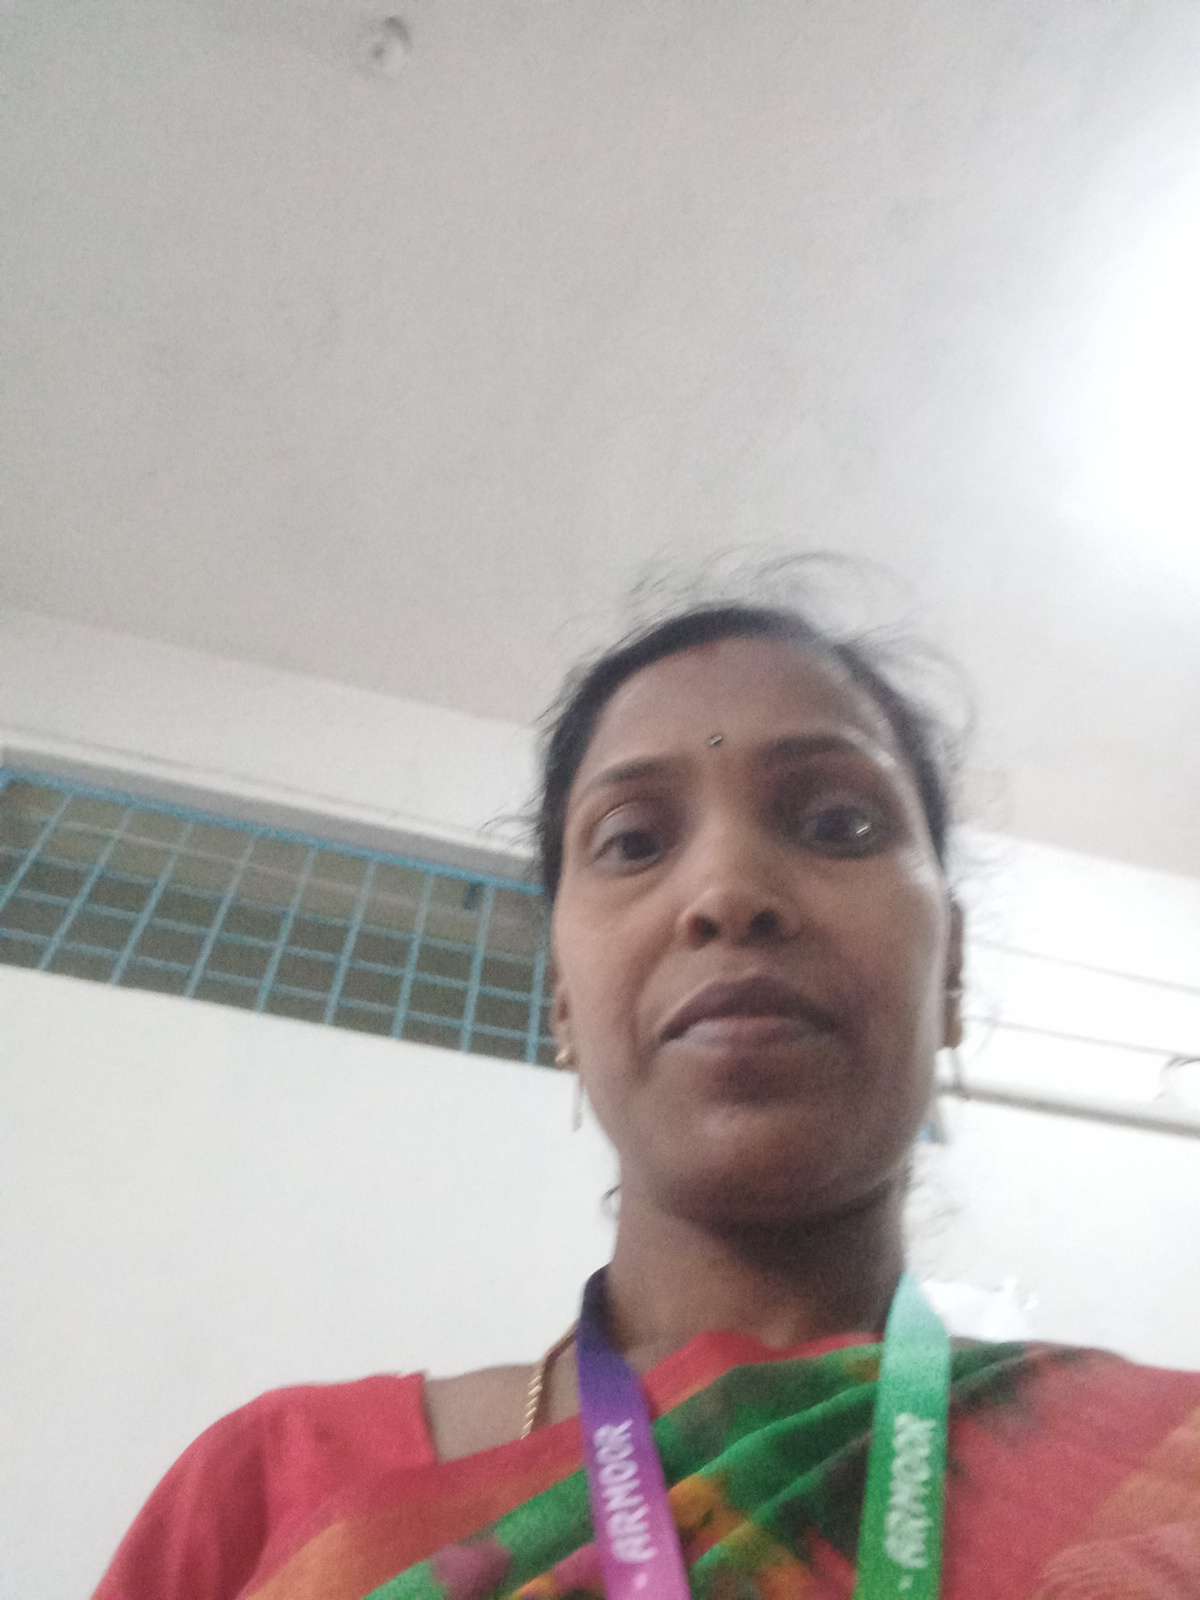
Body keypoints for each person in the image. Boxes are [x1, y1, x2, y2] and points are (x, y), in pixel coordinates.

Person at [95, 598, 1200, 1600]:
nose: (727, 892)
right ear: (563, 1004)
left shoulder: (1172, 1465)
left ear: (950, 969)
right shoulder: (267, 1492)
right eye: (632, 841)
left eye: (836, 824)